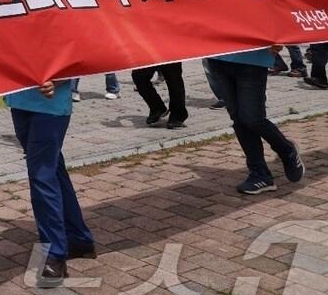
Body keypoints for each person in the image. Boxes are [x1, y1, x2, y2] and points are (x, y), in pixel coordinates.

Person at [5, 78, 96, 289]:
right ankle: (79, 239)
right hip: (18, 99)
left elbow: (78, 53)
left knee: (42, 175)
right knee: (52, 169)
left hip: (51, 104)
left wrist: (60, 80)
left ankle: (55, 253)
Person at [206, 47, 305, 195]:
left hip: (251, 59)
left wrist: (277, 41)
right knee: (238, 120)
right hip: (217, 58)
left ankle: (287, 150)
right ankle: (259, 174)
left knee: (252, 118)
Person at [131, 62, 187, 129]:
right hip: (148, 53)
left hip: (170, 54)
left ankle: (177, 115)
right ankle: (157, 108)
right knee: (138, 76)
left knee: (173, 79)